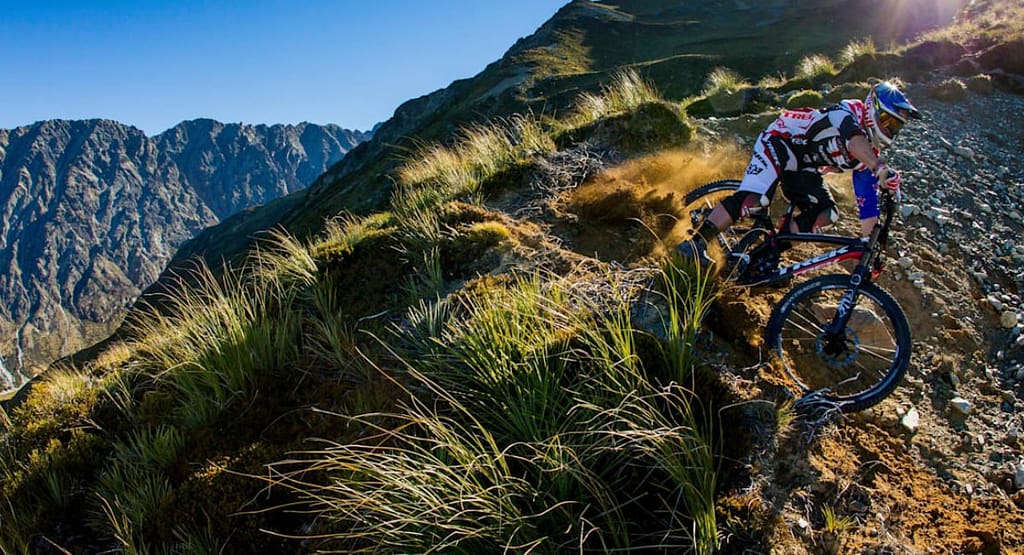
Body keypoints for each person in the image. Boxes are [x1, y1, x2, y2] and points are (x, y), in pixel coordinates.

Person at [676, 81, 921, 267]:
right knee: (756, 199)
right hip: (780, 141)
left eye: (896, 126)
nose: (890, 129)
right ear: (873, 108)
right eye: (888, 121)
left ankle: (764, 258)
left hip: (803, 166)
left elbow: (868, 211)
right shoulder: (847, 113)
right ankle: (694, 243)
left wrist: (871, 253)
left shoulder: (868, 154)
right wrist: (879, 167)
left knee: (826, 213)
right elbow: (853, 139)